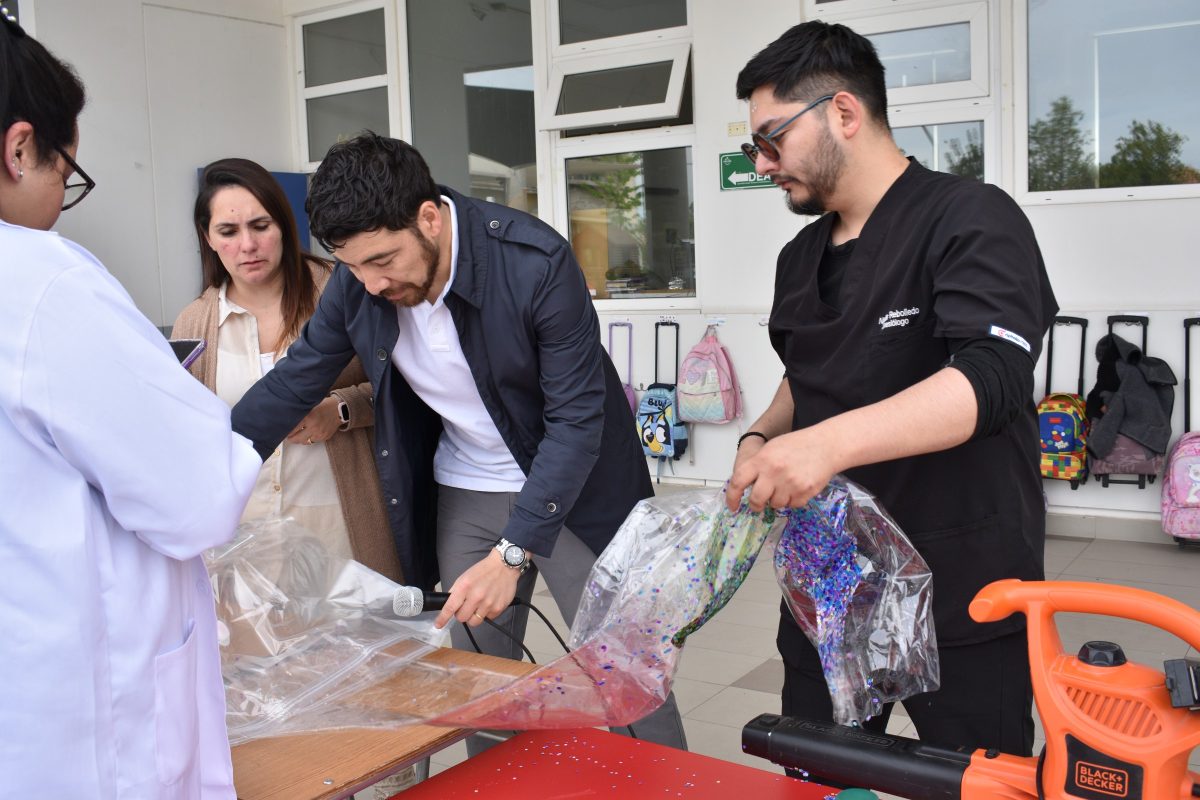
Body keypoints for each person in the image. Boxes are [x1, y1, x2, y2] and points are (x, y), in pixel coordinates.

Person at [229, 132, 687, 752]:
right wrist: (212, 471)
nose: (370, 283)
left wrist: (514, 553)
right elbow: (294, 381)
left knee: (624, 672)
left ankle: (671, 784)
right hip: (468, 488)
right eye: (354, 266)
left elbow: (576, 422)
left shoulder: (534, 262)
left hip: (577, 488)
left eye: (383, 261)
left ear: (429, 219)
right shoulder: (359, 283)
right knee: (480, 683)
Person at [726, 21, 1058, 761]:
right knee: (815, 768)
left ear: (843, 112)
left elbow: (991, 377)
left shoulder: (969, 217)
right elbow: (805, 375)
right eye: (755, 148)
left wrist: (823, 447)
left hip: (960, 579)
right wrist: (762, 435)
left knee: (976, 776)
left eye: (773, 140)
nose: (764, 164)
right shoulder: (799, 257)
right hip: (832, 583)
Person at [0, 12, 260, 799]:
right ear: (20, 149)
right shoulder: (43, 283)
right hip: (77, 727)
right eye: (66, 175)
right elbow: (198, 494)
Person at [172, 158, 402, 581]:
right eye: (228, 231)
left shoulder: (342, 292)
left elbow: (402, 386)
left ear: (284, 224)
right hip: (244, 538)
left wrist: (342, 410)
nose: (248, 245)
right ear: (208, 238)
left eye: (260, 226)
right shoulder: (195, 323)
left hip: (338, 523)